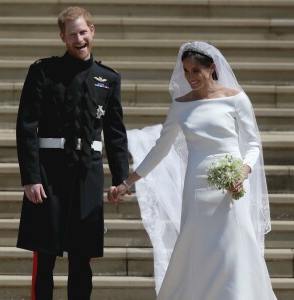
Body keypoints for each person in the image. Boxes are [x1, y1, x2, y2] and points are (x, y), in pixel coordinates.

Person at [108, 41, 277, 299]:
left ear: (211, 68)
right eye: (186, 71)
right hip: (197, 186)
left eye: (196, 70)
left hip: (233, 185)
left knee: (235, 246)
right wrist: (128, 183)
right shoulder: (180, 105)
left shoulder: (236, 99)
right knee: (197, 247)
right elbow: (159, 149)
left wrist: (242, 173)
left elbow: (253, 143)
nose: (190, 77)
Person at [16, 6, 129, 300]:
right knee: (46, 259)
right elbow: (26, 127)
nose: (79, 39)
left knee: (82, 259)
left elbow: (115, 134)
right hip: (48, 176)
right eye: (71, 34)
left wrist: (121, 179)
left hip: (87, 175)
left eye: (83, 32)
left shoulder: (108, 78)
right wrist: (30, 177)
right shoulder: (43, 71)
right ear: (62, 37)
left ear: (92, 31)